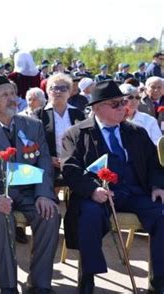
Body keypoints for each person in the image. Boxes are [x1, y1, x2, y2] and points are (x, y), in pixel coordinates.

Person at [61, 80, 164, 293]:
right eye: (115, 104)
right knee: (87, 214)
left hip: (136, 192)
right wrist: (92, 190)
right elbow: (70, 169)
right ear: (97, 108)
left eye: (123, 102)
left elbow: (155, 164)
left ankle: (159, 281)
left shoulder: (137, 132)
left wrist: (157, 186)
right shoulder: (77, 134)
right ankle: (88, 277)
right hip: (100, 194)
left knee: (162, 214)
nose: (122, 108)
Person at [0, 76, 59, 293]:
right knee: (1, 217)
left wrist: (44, 194)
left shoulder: (33, 125)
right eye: (4, 95)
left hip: (29, 192)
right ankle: (7, 286)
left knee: (50, 215)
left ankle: (39, 284)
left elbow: (44, 161)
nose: (11, 99)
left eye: (12, 93)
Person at [34, 73, 85, 185]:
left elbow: (84, 142)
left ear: (69, 92)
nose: (58, 91)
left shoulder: (78, 114)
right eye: (54, 88)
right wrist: (48, 158)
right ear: (48, 91)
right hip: (48, 166)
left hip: (75, 165)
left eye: (63, 88)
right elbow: (34, 142)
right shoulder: (39, 115)